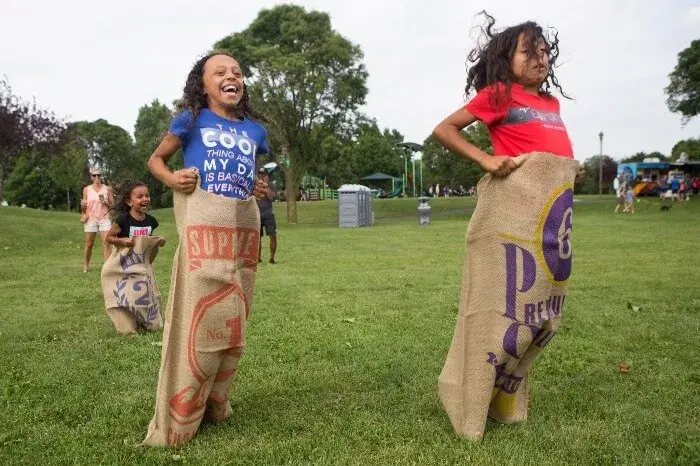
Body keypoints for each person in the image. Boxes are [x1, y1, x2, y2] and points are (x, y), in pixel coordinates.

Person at [432, 12, 581, 440]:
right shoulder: (499, 96)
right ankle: (472, 398)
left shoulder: (551, 105)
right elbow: (446, 129)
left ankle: (505, 392)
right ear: (505, 58)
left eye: (543, 49)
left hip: (551, 223)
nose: (539, 55)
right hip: (511, 219)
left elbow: (551, 152)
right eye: (528, 49)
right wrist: (485, 160)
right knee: (505, 311)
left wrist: (572, 170)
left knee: (543, 314)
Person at [145, 51, 269, 446]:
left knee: (234, 310)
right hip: (203, 224)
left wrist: (256, 189)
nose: (231, 76)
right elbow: (157, 160)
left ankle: (218, 399)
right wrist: (172, 178)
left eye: (237, 72)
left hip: (241, 229)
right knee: (201, 310)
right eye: (220, 72)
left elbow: (248, 176)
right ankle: (185, 406)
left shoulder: (255, 131)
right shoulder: (190, 119)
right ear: (203, 85)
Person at [105, 180, 163, 248]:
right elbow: (108, 238)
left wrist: (157, 241)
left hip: (143, 258)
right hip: (125, 257)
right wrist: (122, 241)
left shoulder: (151, 221)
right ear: (129, 202)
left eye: (147, 196)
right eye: (140, 197)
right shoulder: (122, 220)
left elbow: (148, 238)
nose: (145, 199)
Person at [80, 168, 113, 273]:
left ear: (101, 176)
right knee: (89, 244)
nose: (97, 177)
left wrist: (105, 202)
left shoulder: (108, 189)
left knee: (106, 243)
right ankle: (86, 265)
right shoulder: (86, 189)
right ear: (91, 177)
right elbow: (84, 206)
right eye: (94, 175)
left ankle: (107, 268)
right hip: (91, 219)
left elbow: (113, 205)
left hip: (105, 218)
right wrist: (82, 208)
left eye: (99, 175)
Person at [257, 169, 278, 264]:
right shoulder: (255, 185)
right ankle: (258, 257)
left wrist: (266, 188)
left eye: (263, 175)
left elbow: (272, 198)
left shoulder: (271, 185)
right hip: (257, 214)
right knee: (257, 237)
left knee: (273, 236)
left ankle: (272, 258)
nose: (261, 176)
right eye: (260, 174)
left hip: (268, 214)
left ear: (267, 176)